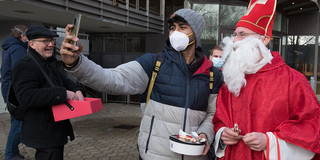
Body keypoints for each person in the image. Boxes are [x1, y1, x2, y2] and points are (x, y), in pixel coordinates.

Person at [59, 8, 223, 159]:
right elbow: (112, 79)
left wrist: (204, 135)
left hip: (194, 156)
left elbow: (212, 114)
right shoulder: (154, 63)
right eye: (172, 28)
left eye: (182, 27)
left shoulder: (211, 75)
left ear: (196, 33)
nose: (175, 33)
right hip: (154, 155)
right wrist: (77, 64)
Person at [212, 0, 320, 160]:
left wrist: (271, 142)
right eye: (235, 34)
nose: (234, 41)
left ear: (264, 39)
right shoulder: (232, 78)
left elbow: (311, 128)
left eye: (242, 35)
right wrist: (222, 135)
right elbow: (219, 119)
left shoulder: (293, 80)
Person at [11, 25, 84, 160]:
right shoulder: (25, 65)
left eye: (51, 41)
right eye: (45, 41)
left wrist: (76, 89)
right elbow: (27, 97)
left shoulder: (48, 62)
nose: (50, 44)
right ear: (32, 44)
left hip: (55, 128)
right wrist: (64, 93)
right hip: (43, 131)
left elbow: (63, 80)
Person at [1, 25, 28, 160]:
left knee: (15, 124)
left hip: (8, 91)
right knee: (17, 126)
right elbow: (20, 71)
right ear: (22, 36)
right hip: (15, 93)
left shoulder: (9, 47)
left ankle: (13, 153)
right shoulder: (18, 49)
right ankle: (10, 155)